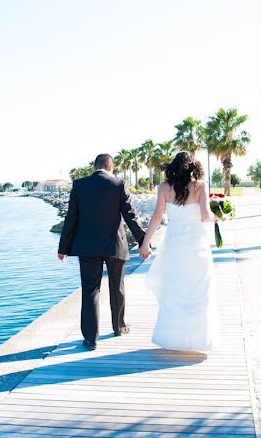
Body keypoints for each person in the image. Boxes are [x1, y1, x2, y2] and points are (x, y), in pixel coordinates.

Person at [58, 154, 147, 351]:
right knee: (117, 287)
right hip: (115, 245)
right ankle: (119, 327)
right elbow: (130, 215)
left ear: (95, 166)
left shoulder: (80, 185)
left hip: (88, 247)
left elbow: (71, 218)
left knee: (90, 290)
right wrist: (143, 240)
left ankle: (90, 339)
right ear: (110, 166)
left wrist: (63, 248)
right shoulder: (118, 184)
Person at [139, 151, 220, 352]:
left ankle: (173, 339)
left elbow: (157, 216)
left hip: (174, 245)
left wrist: (145, 243)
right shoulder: (200, 186)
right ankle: (198, 339)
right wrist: (219, 216)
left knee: (174, 289)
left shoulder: (165, 188)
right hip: (196, 244)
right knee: (198, 289)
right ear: (194, 166)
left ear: (173, 166)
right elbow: (205, 215)